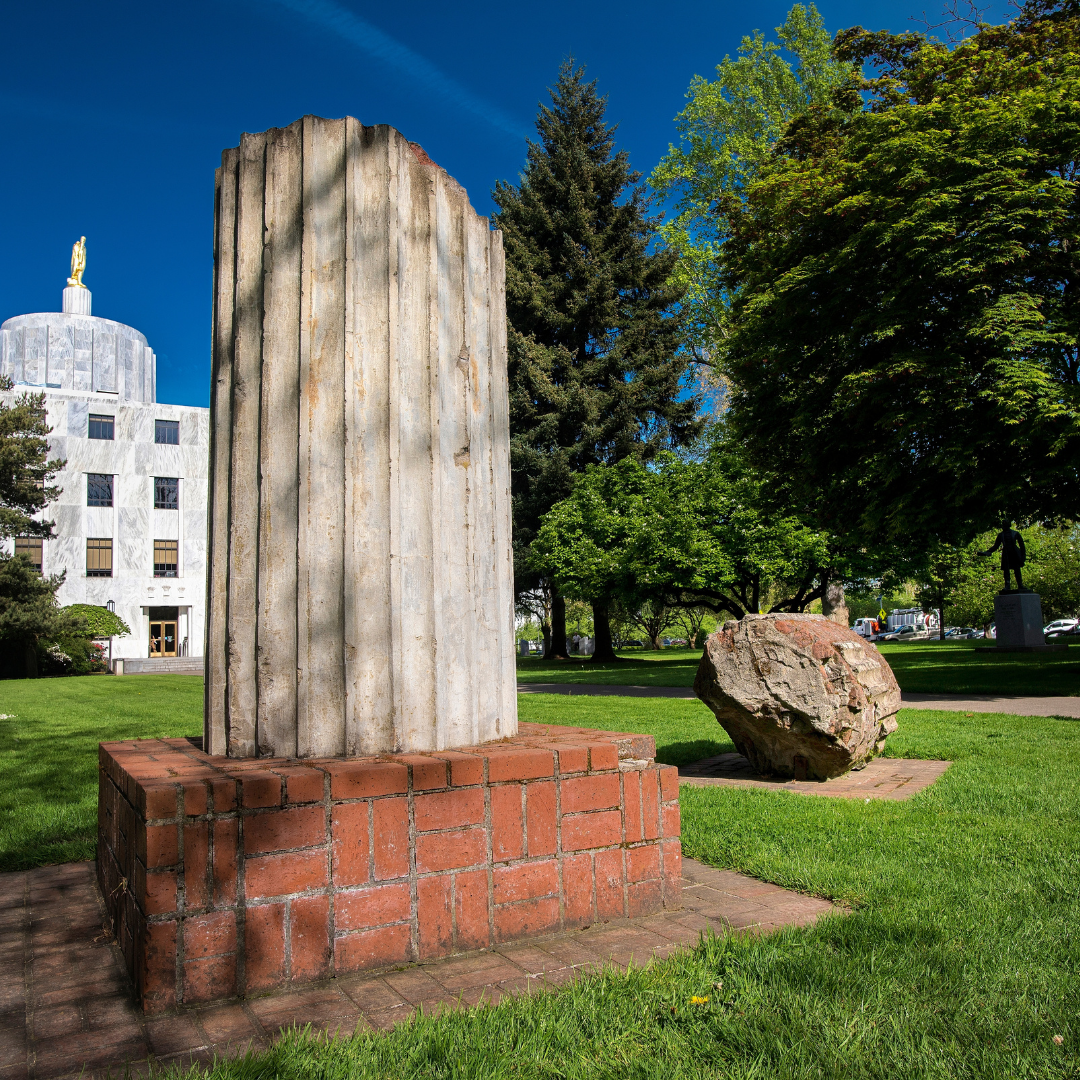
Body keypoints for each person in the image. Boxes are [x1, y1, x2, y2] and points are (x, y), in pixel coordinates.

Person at [979, 523, 1029, 591]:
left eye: (1004, 525)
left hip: (1015, 553)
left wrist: (1023, 555)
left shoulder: (1015, 533)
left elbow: (1022, 545)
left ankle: (1020, 585)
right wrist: (988, 552)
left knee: (1017, 569)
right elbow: (996, 546)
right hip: (1006, 553)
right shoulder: (1001, 535)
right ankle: (1007, 585)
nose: (1003, 527)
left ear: (1008, 526)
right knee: (1006, 570)